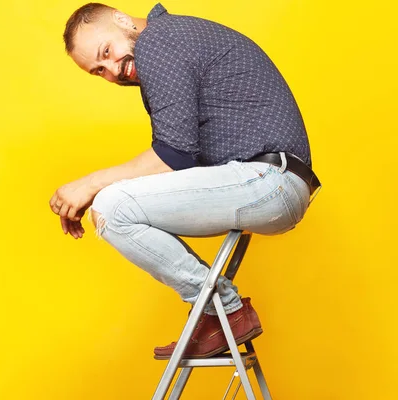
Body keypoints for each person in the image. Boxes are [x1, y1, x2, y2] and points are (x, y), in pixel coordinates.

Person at [49, 2, 320, 359]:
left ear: (121, 19)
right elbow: (179, 156)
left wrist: (89, 184)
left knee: (113, 207)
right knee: (114, 202)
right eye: (99, 71)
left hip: (269, 179)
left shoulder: (159, 40)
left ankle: (221, 310)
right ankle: (219, 313)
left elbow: (174, 155)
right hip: (270, 180)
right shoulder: (169, 41)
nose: (113, 70)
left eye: (107, 52)